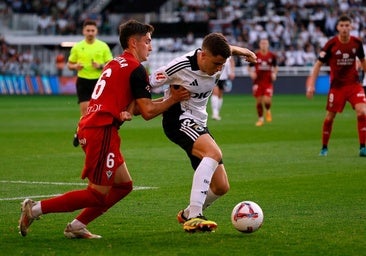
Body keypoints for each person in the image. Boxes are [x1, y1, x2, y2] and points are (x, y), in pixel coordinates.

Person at [18, 19, 190, 239]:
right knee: (97, 194)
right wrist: (173, 99)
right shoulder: (136, 69)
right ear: (133, 42)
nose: (151, 47)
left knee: (124, 186)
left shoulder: (116, 63)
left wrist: (131, 108)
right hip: (101, 131)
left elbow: (136, 108)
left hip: (95, 126)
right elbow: (146, 112)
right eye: (147, 41)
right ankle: (34, 209)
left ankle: (77, 226)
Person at [149, 32, 257, 232]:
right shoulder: (179, 66)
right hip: (177, 119)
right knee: (213, 153)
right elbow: (147, 83)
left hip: (199, 122)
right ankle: (195, 216)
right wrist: (127, 108)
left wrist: (243, 51)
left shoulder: (217, 57)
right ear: (203, 55)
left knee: (221, 187)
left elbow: (228, 49)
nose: (219, 68)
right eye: (216, 64)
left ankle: (187, 212)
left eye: (222, 65)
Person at [306, 15, 366, 157]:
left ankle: (363, 147)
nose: (344, 28)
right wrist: (311, 85)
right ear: (337, 27)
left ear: (351, 27)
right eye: (342, 26)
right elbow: (318, 65)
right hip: (337, 87)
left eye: (347, 25)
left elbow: (363, 62)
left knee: (363, 112)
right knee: (329, 117)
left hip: (353, 85)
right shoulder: (331, 44)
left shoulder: (357, 43)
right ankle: (324, 147)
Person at [67, 19, 113, 147]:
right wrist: (76, 66)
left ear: (96, 31)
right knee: (85, 112)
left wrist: (100, 66)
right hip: (83, 81)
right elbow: (69, 64)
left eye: (92, 30)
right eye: (88, 30)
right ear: (83, 31)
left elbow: (110, 65)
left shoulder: (103, 46)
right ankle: (80, 133)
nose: (90, 33)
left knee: (100, 112)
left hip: (100, 83)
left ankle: (96, 135)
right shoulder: (77, 47)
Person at [248, 38, 278, 126]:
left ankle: (268, 110)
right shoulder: (256, 55)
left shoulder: (272, 56)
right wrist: (251, 73)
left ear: (268, 45)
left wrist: (274, 74)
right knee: (259, 101)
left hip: (268, 82)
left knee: (267, 101)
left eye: (265, 43)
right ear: (260, 45)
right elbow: (249, 67)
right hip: (257, 82)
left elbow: (275, 66)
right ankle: (260, 119)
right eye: (262, 43)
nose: (264, 45)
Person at [210, 56, 235, 120]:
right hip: (215, 77)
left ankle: (217, 113)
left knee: (220, 95)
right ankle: (214, 113)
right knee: (215, 93)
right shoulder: (215, 53)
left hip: (224, 77)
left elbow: (232, 63)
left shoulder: (229, 56)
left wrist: (232, 72)